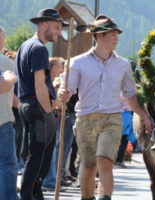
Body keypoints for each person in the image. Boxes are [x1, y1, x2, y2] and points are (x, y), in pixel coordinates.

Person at [58, 14, 153, 200]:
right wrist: (64, 93)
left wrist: (143, 115)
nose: (116, 38)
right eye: (112, 34)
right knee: (89, 165)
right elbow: (68, 89)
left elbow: (129, 94)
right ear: (99, 36)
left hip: (112, 118)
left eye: (117, 34)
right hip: (86, 119)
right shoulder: (77, 63)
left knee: (105, 162)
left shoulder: (123, 65)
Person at [16, 8, 68, 200]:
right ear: (43, 24)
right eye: (56, 27)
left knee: (36, 156)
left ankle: (35, 193)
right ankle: (28, 196)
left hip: (27, 105)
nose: (58, 32)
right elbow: (39, 85)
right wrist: (49, 111)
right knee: (38, 158)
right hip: (37, 108)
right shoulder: (39, 48)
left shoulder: (25, 46)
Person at [42, 57, 74, 190]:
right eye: (60, 65)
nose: (62, 68)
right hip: (50, 118)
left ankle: (52, 178)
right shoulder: (48, 81)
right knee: (53, 148)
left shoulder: (49, 80)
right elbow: (51, 103)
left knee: (56, 148)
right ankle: (50, 180)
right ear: (53, 67)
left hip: (54, 117)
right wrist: (59, 101)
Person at [0, 25, 20, 200]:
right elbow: (3, 87)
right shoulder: (5, 62)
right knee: (7, 164)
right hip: (2, 120)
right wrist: (11, 77)